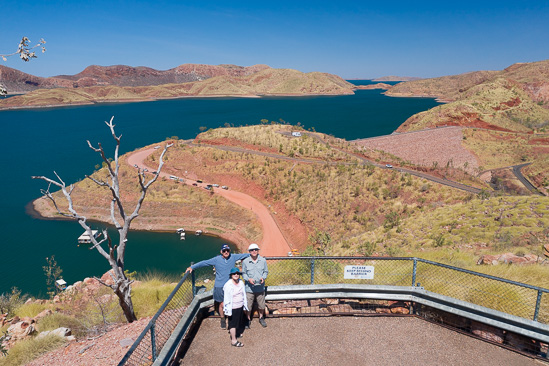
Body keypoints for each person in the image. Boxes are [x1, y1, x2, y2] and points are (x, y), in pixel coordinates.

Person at [185, 244, 249, 329]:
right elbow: (204, 262)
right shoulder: (216, 259)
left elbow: (246, 255)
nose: (226, 252)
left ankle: (231, 318)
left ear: (229, 251)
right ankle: (222, 318)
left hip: (230, 285)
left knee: (232, 302)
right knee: (221, 304)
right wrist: (192, 267)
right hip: (219, 286)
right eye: (224, 251)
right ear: (221, 252)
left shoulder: (233, 257)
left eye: (227, 250)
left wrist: (256, 255)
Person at [242, 243, 269, 328]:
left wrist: (263, 278)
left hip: (260, 288)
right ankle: (248, 319)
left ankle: (261, 318)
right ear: (249, 252)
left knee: (261, 305)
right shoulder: (246, 261)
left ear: (258, 251)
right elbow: (243, 274)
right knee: (248, 306)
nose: (254, 251)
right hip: (249, 289)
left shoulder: (263, 260)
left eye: (255, 250)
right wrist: (248, 279)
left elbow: (266, 272)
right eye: (252, 250)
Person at [223, 267, 248, 347]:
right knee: (232, 323)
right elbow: (226, 298)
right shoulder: (228, 285)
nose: (236, 275)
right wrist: (226, 310)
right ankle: (234, 340)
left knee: (238, 321)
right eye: (234, 273)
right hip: (232, 307)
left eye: (237, 273)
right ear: (231, 275)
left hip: (240, 305)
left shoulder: (241, 282)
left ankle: (236, 333)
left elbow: (243, 294)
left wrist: (244, 305)